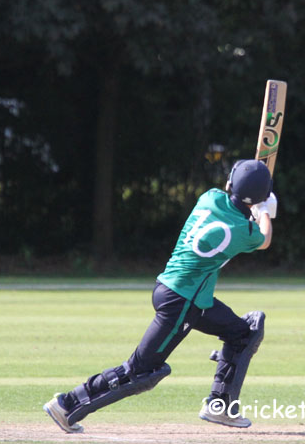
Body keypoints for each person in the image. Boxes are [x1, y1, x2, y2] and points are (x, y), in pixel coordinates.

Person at [44, 159, 277, 432]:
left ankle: (220, 406)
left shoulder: (209, 198)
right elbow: (264, 239)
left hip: (181, 294)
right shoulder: (241, 230)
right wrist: (264, 211)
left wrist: (254, 206)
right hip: (182, 303)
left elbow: (237, 214)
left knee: (244, 332)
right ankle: (67, 404)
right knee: (141, 371)